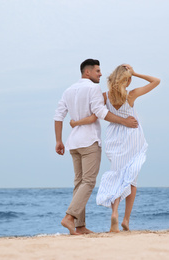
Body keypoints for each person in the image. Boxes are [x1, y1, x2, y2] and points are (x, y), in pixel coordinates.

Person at [70, 64, 160, 232]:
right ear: (128, 80)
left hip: (114, 139)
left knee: (118, 175)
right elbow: (156, 81)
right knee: (131, 178)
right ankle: (126, 219)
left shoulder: (106, 96)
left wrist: (75, 123)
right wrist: (135, 72)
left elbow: (92, 116)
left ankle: (115, 214)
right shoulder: (131, 95)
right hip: (132, 138)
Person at [54, 59, 138, 235]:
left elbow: (58, 116)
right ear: (87, 72)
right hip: (89, 142)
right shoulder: (93, 88)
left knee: (79, 184)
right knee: (89, 182)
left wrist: (58, 141)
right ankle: (69, 217)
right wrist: (124, 121)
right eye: (98, 71)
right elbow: (100, 113)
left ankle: (80, 226)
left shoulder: (68, 90)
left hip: (73, 143)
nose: (100, 74)